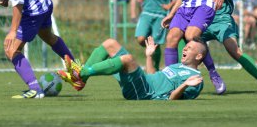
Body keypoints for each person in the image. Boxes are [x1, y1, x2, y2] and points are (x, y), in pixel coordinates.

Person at [58, 36, 206, 100]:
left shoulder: (195, 79)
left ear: (198, 56)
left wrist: (185, 84)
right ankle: (81, 79)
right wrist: (149, 56)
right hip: (144, 82)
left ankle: (81, 73)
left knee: (127, 59)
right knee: (110, 43)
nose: (185, 49)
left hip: (146, 93)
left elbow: (173, 98)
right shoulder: (177, 66)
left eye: (189, 48)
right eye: (185, 47)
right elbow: (153, 74)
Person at [133, 0, 179, 70]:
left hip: (160, 15)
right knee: (140, 38)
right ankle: (150, 49)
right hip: (147, 12)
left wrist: (169, 5)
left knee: (156, 43)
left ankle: (156, 66)